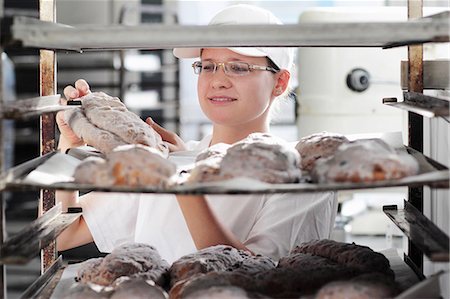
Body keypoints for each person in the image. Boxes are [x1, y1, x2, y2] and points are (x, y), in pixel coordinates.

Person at [56, 4, 337, 263]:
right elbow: (63, 236)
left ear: (280, 82)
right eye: (208, 66)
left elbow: (258, 277)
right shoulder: (169, 158)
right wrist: (69, 147)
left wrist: (179, 184)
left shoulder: (302, 176)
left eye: (239, 68)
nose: (217, 81)